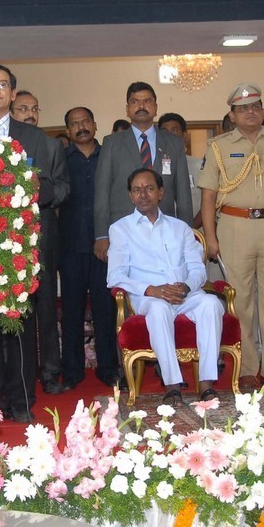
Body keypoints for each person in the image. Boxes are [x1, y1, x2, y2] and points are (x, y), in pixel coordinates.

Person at [0, 63, 70, 420]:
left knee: (21, 329)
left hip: (23, 248)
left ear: (13, 93)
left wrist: (29, 191)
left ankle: (22, 401)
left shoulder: (37, 139)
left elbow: (60, 187)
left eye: (2, 85)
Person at [199, 82, 264, 391]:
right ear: (232, 114)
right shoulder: (217, 146)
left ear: (263, 110)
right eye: (243, 109)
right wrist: (211, 237)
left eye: (255, 107)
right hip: (234, 227)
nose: (250, 113)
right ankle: (246, 368)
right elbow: (208, 195)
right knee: (240, 302)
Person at [108, 168, 223, 404]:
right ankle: (172, 386)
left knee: (211, 304)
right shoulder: (120, 229)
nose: (143, 194)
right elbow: (115, 276)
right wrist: (152, 290)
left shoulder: (180, 228)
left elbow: (198, 270)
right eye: (136, 190)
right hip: (149, 297)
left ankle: (206, 383)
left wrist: (186, 287)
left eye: (149, 188)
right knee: (159, 310)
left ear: (160, 193)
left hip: (184, 294)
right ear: (130, 196)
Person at [93, 82, 192, 265]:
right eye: (135, 102)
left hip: (166, 230)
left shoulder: (173, 143)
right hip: (124, 230)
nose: (141, 106)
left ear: (155, 108)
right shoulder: (111, 143)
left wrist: (187, 233)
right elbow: (102, 192)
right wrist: (101, 234)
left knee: (167, 283)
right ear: (127, 109)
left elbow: (184, 193)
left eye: (147, 101)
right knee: (128, 286)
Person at [59, 107, 119, 390]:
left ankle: (109, 368)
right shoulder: (60, 158)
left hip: (105, 245)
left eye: (85, 122)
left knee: (105, 309)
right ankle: (72, 370)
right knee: (71, 310)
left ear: (95, 125)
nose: (81, 127)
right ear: (68, 131)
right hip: (69, 245)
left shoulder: (109, 156)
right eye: (74, 124)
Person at [157, 112, 203, 226]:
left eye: (174, 130)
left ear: (185, 136)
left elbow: (210, 201)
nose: (169, 135)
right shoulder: (152, 168)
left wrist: (190, 229)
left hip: (195, 233)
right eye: (164, 131)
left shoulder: (200, 166)